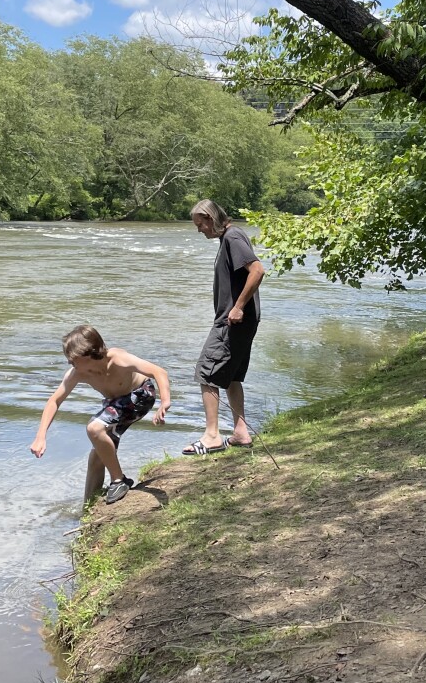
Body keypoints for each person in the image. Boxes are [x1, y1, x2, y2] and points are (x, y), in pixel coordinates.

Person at [29, 324, 171, 506]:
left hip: (141, 395)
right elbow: (54, 401)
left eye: (73, 359)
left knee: (94, 428)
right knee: (98, 455)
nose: (70, 363)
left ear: (90, 353)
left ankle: (119, 481)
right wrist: (41, 437)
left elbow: (159, 371)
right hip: (116, 404)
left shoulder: (118, 359)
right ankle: (88, 507)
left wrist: (164, 401)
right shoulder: (78, 373)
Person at [185, 198, 264, 455]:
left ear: (210, 218)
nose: (200, 230)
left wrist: (238, 306)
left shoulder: (232, 237)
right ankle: (241, 432)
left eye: (200, 225)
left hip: (233, 320)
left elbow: (257, 270)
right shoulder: (229, 238)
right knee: (230, 376)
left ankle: (212, 436)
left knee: (206, 372)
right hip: (240, 320)